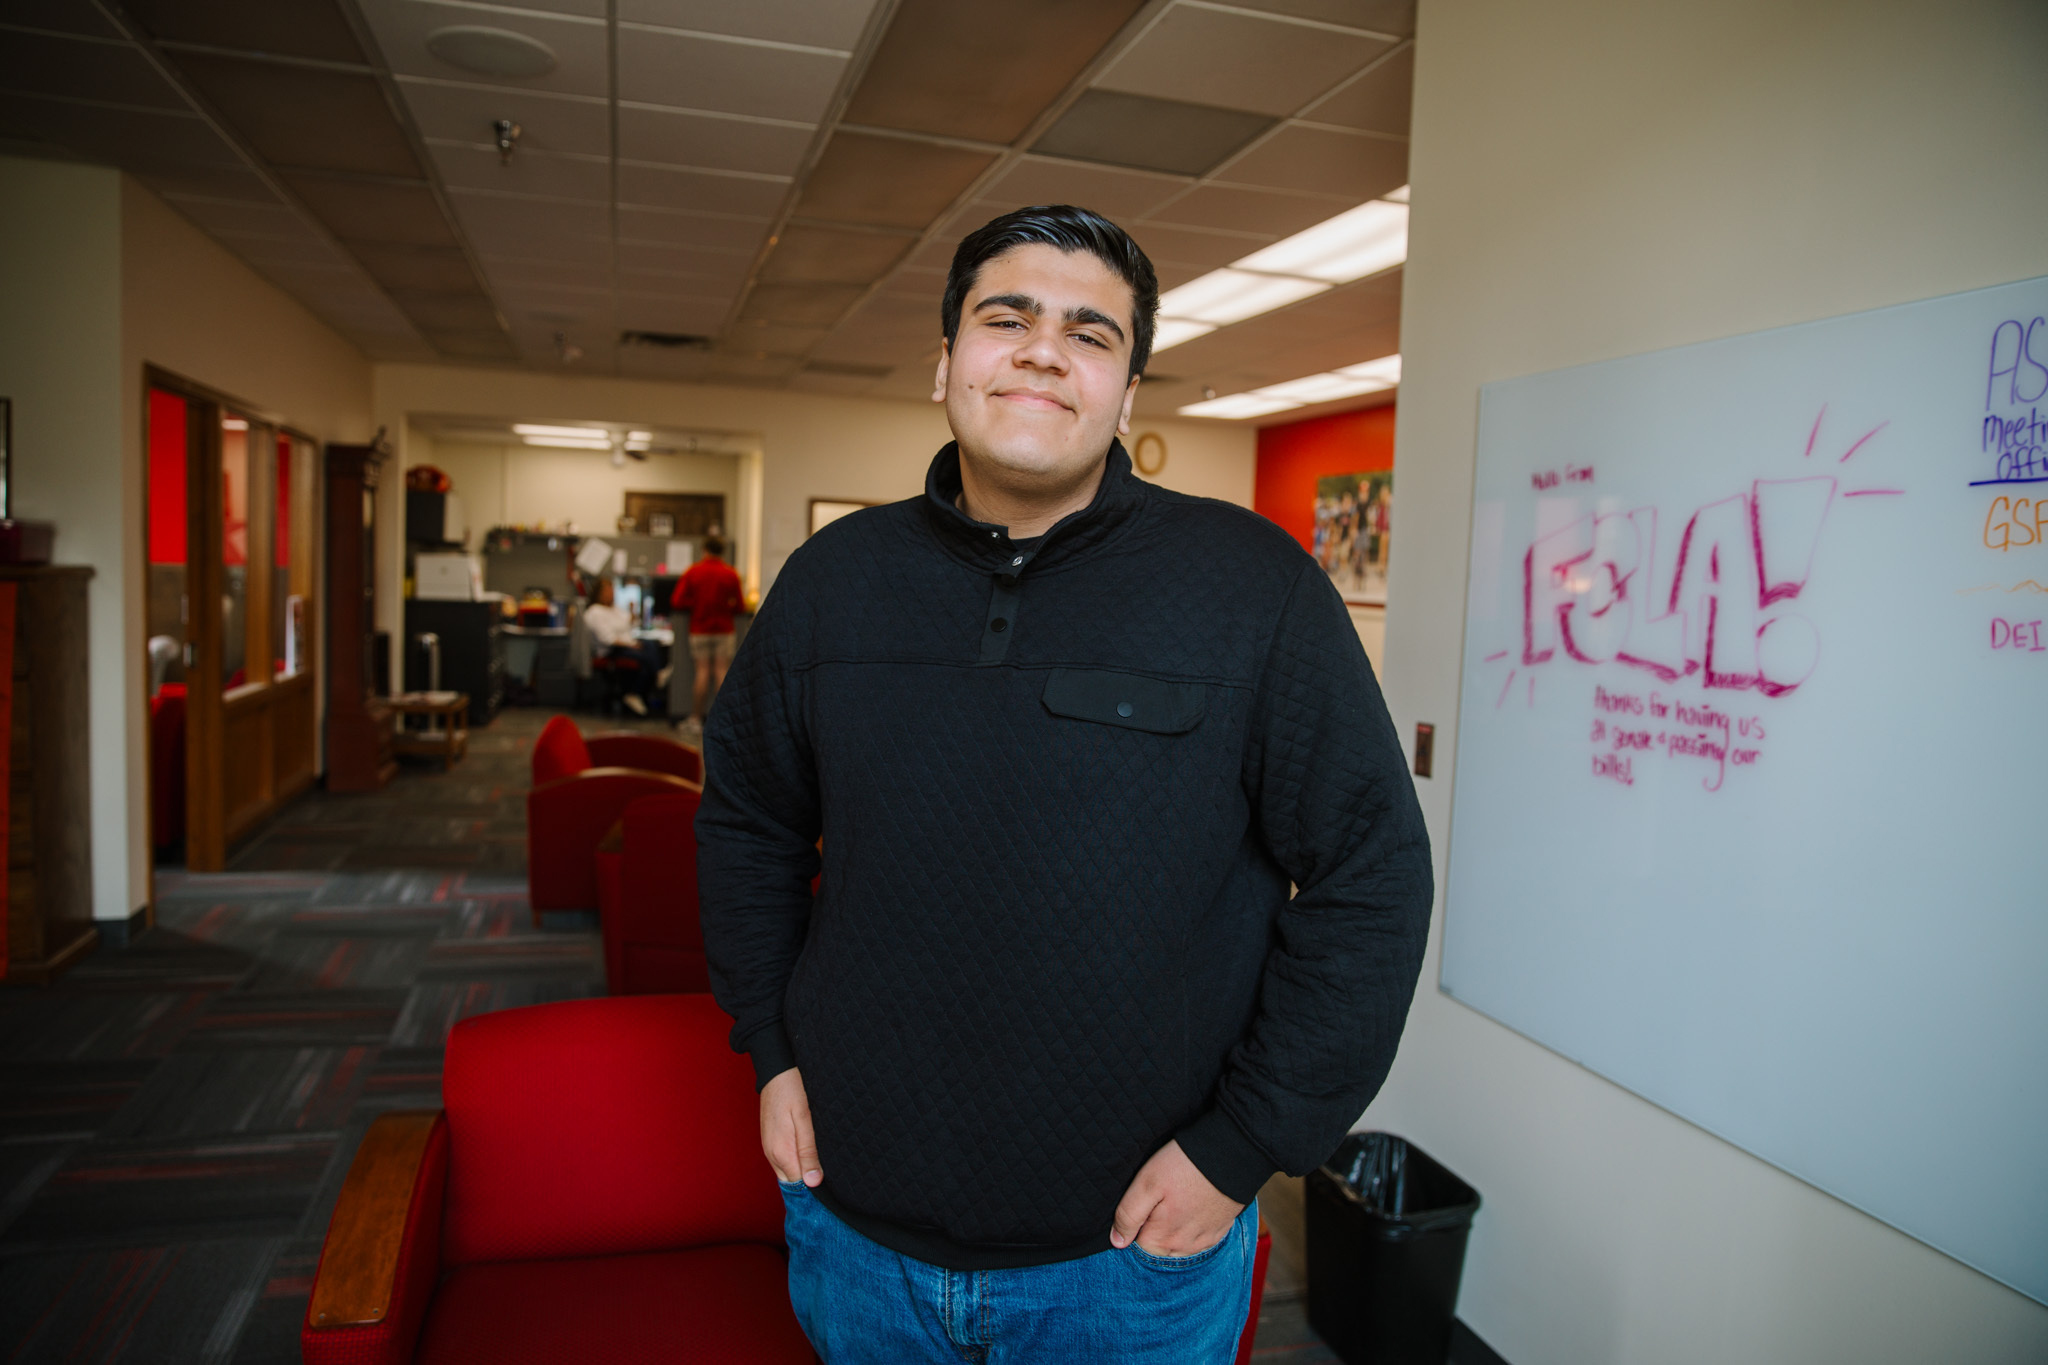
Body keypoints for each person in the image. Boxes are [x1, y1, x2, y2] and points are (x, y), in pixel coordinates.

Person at [696, 205, 1432, 1364]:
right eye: (1007, 317)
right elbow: (747, 823)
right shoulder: (832, 583)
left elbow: (1370, 878)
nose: (1044, 349)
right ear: (946, 362)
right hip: (854, 1226)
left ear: (1126, 393)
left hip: (1131, 1257)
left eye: (1091, 335)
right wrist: (769, 1049)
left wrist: (1241, 1147)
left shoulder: (1253, 591)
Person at [669, 533, 744, 735]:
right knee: (721, 672)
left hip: (700, 628)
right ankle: (722, 720)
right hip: (724, 629)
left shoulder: (693, 572)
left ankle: (695, 719)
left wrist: (696, 604)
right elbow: (740, 605)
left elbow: (677, 601)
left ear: (704, 550)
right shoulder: (730, 574)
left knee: (702, 672)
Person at [582, 577, 656, 716]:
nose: (611, 594)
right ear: (598, 593)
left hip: (626, 645)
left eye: (612, 590)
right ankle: (636, 691)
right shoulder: (595, 611)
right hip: (610, 650)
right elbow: (607, 639)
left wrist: (633, 614)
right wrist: (631, 645)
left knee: (649, 645)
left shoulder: (614, 609)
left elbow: (629, 623)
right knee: (643, 658)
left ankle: (644, 686)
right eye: (607, 591)